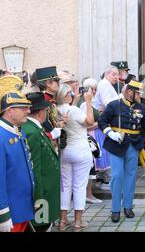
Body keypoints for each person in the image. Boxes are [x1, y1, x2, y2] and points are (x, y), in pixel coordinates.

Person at [98, 80, 145, 222]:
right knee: (117, 176)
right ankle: (115, 209)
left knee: (131, 177)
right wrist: (111, 133)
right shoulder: (114, 105)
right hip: (116, 144)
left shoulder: (140, 107)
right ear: (128, 92)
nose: (139, 95)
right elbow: (102, 121)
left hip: (133, 144)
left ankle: (128, 206)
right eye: (137, 92)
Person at [0, 89, 35, 232]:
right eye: (23, 107)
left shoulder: (18, 130)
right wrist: (2, 215)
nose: (28, 111)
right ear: (10, 110)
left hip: (20, 209)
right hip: (6, 214)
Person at [56, 83, 95, 231]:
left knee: (65, 186)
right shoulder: (73, 109)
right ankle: (78, 221)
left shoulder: (57, 109)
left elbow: (70, 116)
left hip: (65, 151)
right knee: (79, 186)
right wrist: (89, 102)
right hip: (81, 150)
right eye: (70, 93)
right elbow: (89, 122)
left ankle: (62, 220)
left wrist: (75, 101)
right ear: (66, 96)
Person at [21, 92, 60, 232]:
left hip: (46, 189)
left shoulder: (34, 128)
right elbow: (34, 167)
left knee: (45, 224)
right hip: (42, 192)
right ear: (42, 112)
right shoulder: (31, 131)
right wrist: (39, 198)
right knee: (41, 226)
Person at [92, 66, 120, 189]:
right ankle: (101, 180)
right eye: (114, 74)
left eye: (117, 74)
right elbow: (109, 103)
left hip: (103, 120)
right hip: (100, 121)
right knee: (102, 151)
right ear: (107, 74)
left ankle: (103, 178)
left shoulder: (107, 84)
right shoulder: (104, 84)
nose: (117, 77)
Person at [77, 77, 103, 204]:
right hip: (88, 136)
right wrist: (99, 123)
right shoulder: (83, 104)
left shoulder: (91, 102)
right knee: (89, 167)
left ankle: (89, 193)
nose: (94, 91)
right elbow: (85, 124)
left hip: (93, 135)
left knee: (93, 167)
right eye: (92, 89)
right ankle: (88, 194)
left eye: (95, 89)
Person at [34, 66, 64, 141]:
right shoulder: (43, 100)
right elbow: (46, 125)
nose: (59, 84)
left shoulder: (50, 99)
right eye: (56, 81)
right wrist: (59, 124)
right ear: (48, 84)